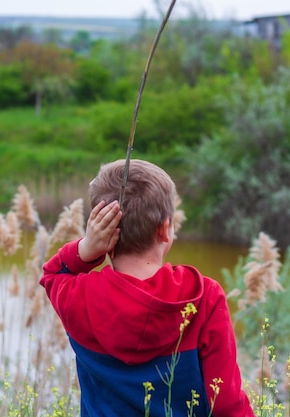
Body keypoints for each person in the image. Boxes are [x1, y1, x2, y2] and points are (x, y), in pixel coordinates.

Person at [40, 159, 255, 416]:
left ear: (103, 233)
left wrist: (87, 248)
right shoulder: (204, 297)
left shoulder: (79, 296)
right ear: (165, 229)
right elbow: (226, 404)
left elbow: (53, 273)